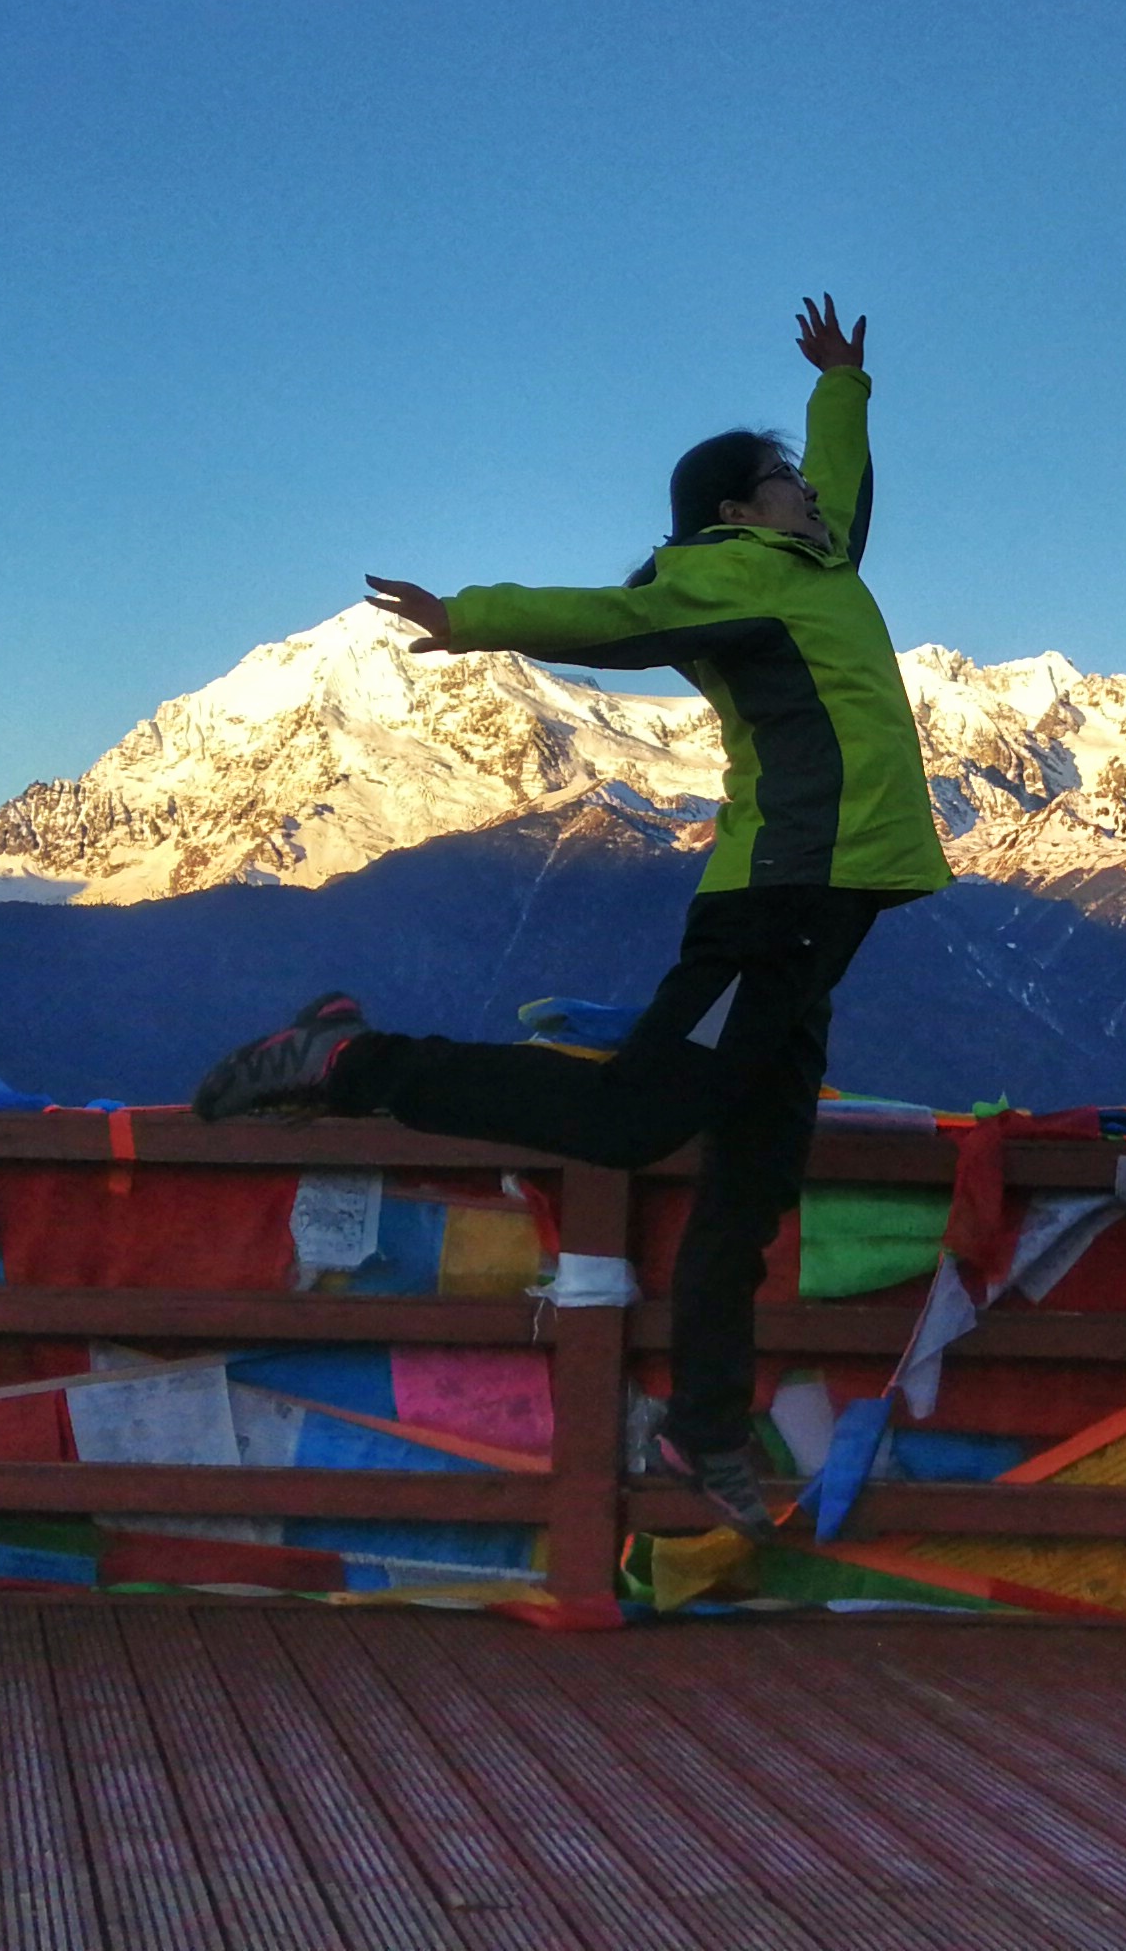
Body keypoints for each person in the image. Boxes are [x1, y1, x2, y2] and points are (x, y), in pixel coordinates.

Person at [191, 295, 950, 1530]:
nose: (809, 492)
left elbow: (847, 490)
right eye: (786, 481)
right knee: (631, 1117)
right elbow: (616, 621)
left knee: (752, 1178)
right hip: (777, 904)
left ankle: (704, 1426)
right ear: (736, 509)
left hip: (825, 915)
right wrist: (473, 617)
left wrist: (839, 387)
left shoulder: (817, 569)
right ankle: (345, 1058)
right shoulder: (728, 579)